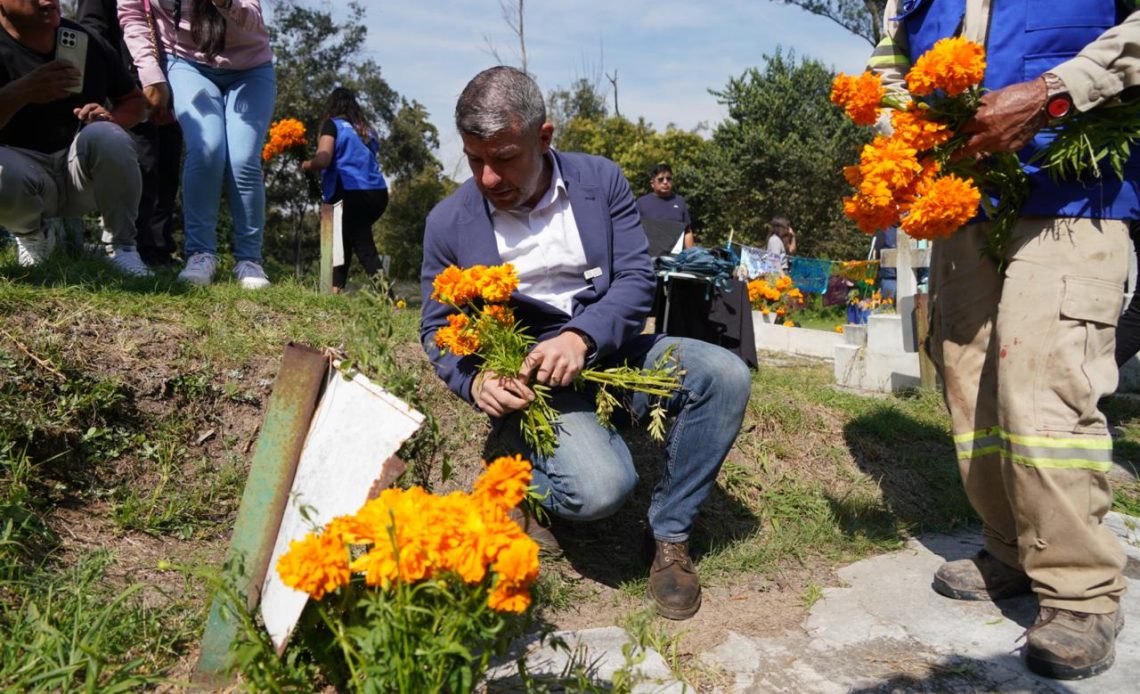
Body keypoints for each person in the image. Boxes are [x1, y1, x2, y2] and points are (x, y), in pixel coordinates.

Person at [420, 66, 751, 621]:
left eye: (502, 158)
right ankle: (516, 477)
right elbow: (436, 327)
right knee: (600, 491)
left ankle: (669, 534)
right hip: (537, 384)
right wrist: (475, 378)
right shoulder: (448, 222)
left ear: (544, 138)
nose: (486, 177)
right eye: (474, 159)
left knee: (724, 375)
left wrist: (582, 336)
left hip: (615, 350)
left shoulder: (601, 182)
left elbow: (636, 281)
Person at [870, 0, 1139, 680]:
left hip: (1075, 196)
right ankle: (1014, 548)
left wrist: (1053, 93)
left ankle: (1081, 592)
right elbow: (890, 63)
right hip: (964, 204)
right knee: (973, 388)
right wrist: (895, 136)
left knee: (1044, 391)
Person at [119, 0, 274, 289]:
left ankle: (249, 260)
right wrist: (151, 75)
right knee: (207, 149)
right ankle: (201, 254)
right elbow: (132, 14)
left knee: (243, 159)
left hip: (251, 68)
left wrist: (227, 4)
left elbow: (253, 18)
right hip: (186, 62)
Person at [0, 0, 151, 276]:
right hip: (22, 175)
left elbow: (134, 102)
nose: (48, 1)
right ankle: (34, 237)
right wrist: (21, 92)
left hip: (77, 171)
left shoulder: (86, 40)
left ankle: (121, 247)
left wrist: (108, 120)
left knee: (108, 135)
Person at [77, 0, 181, 268]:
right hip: (127, 83)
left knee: (167, 163)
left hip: (175, 80)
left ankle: (159, 250)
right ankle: (129, 247)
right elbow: (92, 28)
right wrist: (115, 77)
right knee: (141, 162)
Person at [301, 87, 390, 294]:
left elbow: (323, 159)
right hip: (378, 193)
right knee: (343, 240)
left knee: (363, 247)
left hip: (352, 191)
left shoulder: (333, 125)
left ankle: (390, 299)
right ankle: (335, 290)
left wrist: (306, 164)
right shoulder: (366, 130)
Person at [635, 163, 694, 251]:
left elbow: (687, 232)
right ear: (652, 183)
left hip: (675, 260)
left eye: (668, 179)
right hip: (649, 259)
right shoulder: (641, 203)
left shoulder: (679, 201)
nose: (665, 182)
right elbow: (634, 232)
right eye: (661, 179)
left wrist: (692, 255)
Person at [870, 226, 897, 301]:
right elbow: (875, 253)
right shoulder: (884, 229)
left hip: (908, 277)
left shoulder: (912, 226)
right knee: (889, 307)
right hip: (890, 278)